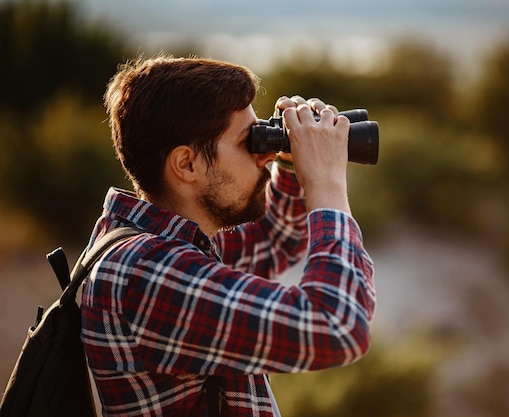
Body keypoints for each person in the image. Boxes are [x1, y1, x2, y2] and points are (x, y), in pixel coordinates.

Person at [80, 54, 376, 417]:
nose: (263, 154)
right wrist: (326, 184)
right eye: (245, 141)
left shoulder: (172, 240)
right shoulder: (146, 273)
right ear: (187, 164)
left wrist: (294, 159)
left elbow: (274, 241)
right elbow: (336, 327)